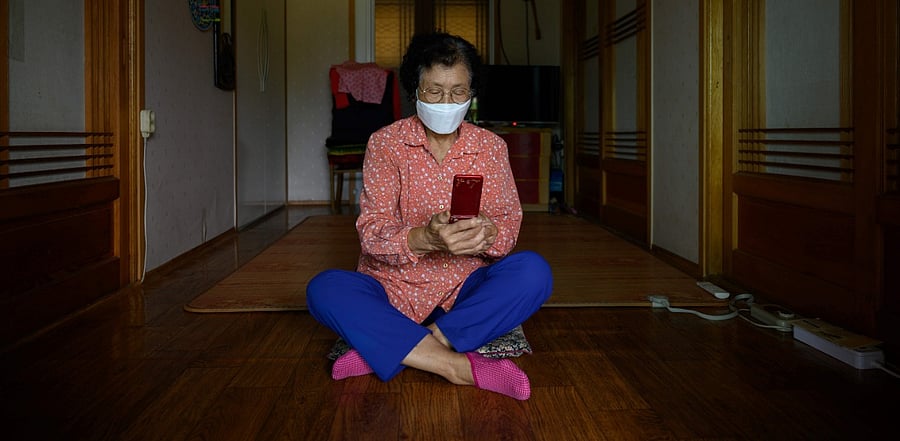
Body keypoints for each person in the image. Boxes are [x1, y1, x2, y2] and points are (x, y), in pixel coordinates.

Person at [306, 32, 553, 400]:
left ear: (471, 93)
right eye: (435, 92)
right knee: (324, 290)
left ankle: (395, 348)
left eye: (458, 92)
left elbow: (507, 226)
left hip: (465, 289)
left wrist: (488, 233)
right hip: (392, 289)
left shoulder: (491, 147)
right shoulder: (385, 143)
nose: (446, 102)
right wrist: (424, 237)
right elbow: (371, 232)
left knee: (534, 272)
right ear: (415, 91)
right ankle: (455, 365)